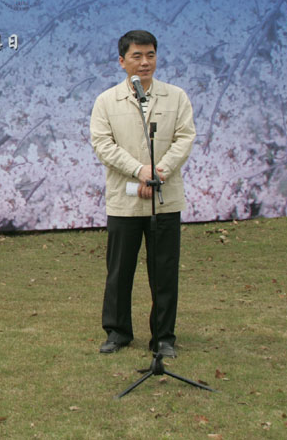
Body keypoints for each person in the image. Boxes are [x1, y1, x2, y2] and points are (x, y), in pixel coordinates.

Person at [90, 29, 196, 358]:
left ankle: (163, 337)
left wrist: (160, 170)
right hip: (125, 199)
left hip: (165, 198)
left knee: (164, 270)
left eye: (150, 55)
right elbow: (103, 144)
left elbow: (185, 137)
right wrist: (139, 170)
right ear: (122, 62)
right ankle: (117, 332)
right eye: (136, 56)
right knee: (119, 270)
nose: (144, 62)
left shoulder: (175, 96)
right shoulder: (106, 101)